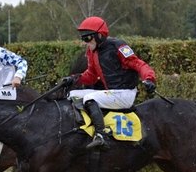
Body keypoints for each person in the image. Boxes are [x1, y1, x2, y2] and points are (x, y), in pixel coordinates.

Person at [57, 16, 157, 150]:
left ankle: (101, 135)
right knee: (72, 94)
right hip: (109, 92)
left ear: (99, 35)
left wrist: (149, 79)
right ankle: (82, 130)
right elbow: (91, 75)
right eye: (83, 39)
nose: (86, 42)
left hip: (125, 94)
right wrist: (74, 79)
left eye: (87, 38)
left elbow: (139, 64)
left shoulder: (118, 46)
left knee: (89, 98)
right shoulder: (92, 51)